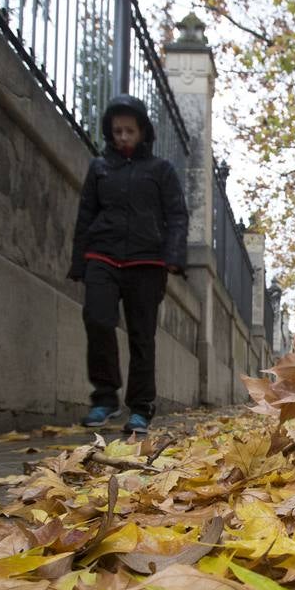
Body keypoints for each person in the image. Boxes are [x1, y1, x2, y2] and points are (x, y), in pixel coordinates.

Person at [69, 94, 189, 435]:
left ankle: (141, 407)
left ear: (142, 132)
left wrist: (174, 257)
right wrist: (79, 261)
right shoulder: (99, 168)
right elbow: (85, 215)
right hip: (102, 255)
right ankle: (105, 398)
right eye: (117, 131)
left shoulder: (161, 170)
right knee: (97, 319)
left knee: (141, 336)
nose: (122, 137)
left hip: (146, 261)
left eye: (129, 131)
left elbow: (177, 216)